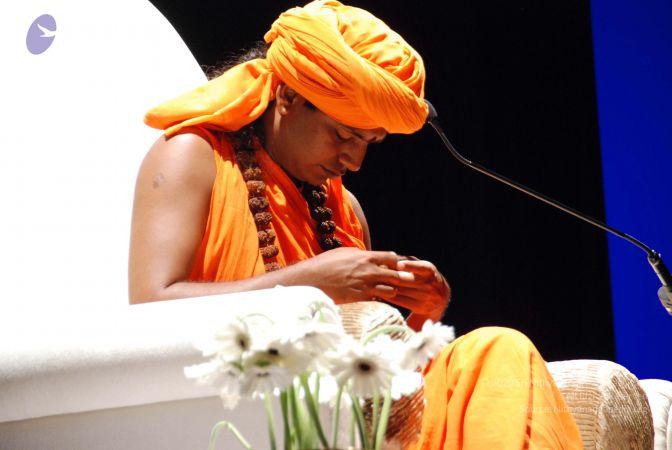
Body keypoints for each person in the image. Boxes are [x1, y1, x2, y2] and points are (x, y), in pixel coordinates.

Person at [129, 1, 582, 448]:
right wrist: (310, 282)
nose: (355, 160)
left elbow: (370, 376)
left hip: (339, 419)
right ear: (288, 97)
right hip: (235, 406)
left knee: (497, 350)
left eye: (370, 142)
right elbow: (151, 306)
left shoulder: (344, 208)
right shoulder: (192, 156)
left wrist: (423, 314)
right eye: (343, 135)